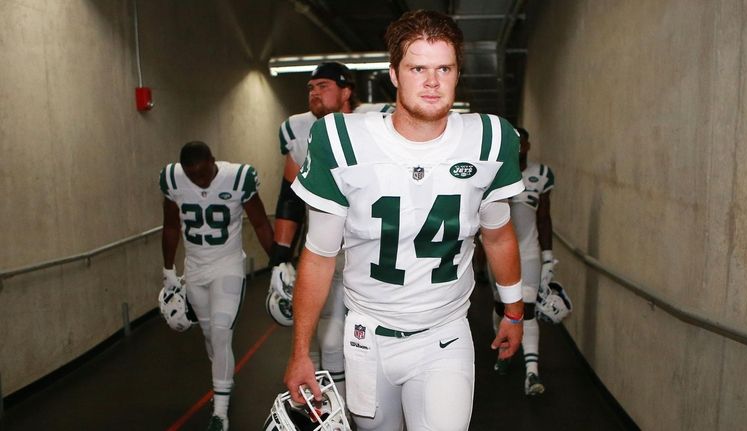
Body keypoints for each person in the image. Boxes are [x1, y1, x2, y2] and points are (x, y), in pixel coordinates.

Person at [284, 10, 525, 431]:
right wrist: (300, 351)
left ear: (457, 73)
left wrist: (514, 312)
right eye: (418, 68)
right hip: (366, 336)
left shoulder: (489, 139)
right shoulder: (341, 141)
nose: (432, 81)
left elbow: (499, 236)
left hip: (445, 334)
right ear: (394, 74)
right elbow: (320, 254)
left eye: (444, 68)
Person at [268, 62, 394, 400]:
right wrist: (280, 256)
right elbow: (290, 196)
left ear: (347, 91)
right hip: (326, 251)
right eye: (310, 87)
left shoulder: (377, 121)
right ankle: (336, 412)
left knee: (378, 339)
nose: (314, 92)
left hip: (375, 251)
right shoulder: (298, 130)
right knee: (329, 339)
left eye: (323, 85)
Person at [159, 141, 273, 431]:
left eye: (204, 173)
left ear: (213, 160)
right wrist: (168, 269)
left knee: (222, 333)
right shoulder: (173, 179)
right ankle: (223, 382)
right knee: (210, 336)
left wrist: (279, 259)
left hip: (227, 266)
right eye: (192, 175)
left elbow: (259, 222)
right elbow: (171, 226)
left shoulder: (236, 178)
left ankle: (220, 412)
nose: (199, 181)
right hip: (195, 270)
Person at [489, 127, 556, 397]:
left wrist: (548, 258)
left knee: (525, 310)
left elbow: (544, 217)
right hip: (502, 257)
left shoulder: (540, 175)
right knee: (501, 306)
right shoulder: (494, 175)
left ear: (528, 146)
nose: (517, 148)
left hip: (528, 254)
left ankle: (532, 373)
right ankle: (504, 351)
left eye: (521, 143)